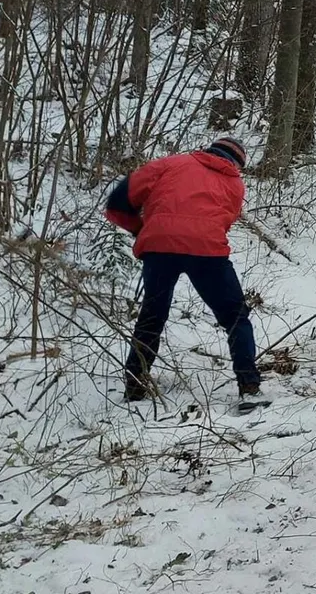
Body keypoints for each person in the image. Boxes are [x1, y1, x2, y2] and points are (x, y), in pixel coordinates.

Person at [104, 137, 262, 402]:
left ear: (208, 150)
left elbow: (118, 203)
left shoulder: (170, 163)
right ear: (236, 164)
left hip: (159, 246)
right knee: (235, 316)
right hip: (207, 250)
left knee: (152, 316)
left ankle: (134, 383)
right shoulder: (235, 184)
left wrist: (142, 230)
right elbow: (224, 222)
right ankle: (249, 385)